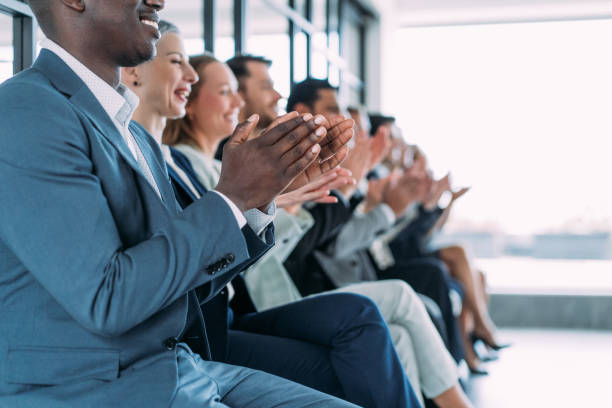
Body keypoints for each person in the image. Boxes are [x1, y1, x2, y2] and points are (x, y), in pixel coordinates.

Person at [0, 1, 359, 407]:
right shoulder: (26, 111)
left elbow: (179, 281)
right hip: (94, 390)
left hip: (178, 369)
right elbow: (106, 298)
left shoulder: (137, 136)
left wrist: (258, 197)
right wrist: (232, 197)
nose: (159, 1)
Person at [127, 26, 422, 408]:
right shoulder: (165, 161)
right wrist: (274, 201)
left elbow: (218, 251)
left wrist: (275, 202)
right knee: (368, 346)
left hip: (222, 312)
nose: (190, 75)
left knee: (373, 335)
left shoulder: (169, 161)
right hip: (206, 327)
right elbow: (199, 256)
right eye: (175, 61)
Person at [224, 56, 473, 408]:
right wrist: (362, 200)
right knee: (408, 293)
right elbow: (317, 248)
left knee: (402, 327)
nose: (275, 94)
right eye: (263, 87)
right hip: (288, 295)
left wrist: (413, 205)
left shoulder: (299, 164)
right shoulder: (246, 164)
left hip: (297, 289)